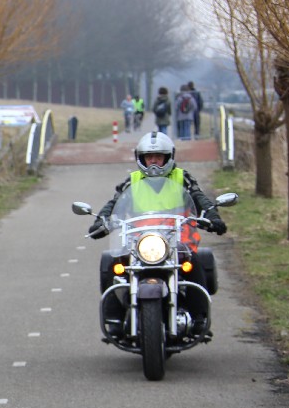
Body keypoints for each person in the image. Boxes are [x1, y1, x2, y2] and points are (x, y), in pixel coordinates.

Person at [89, 131, 227, 315]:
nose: (153, 161)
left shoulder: (182, 178)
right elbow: (114, 203)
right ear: (141, 158)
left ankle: (200, 316)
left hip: (177, 242)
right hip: (139, 244)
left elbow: (200, 197)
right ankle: (114, 318)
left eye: (158, 157)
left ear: (168, 157)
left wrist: (212, 217)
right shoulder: (133, 181)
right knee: (116, 266)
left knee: (194, 266)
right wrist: (101, 221)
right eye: (149, 157)